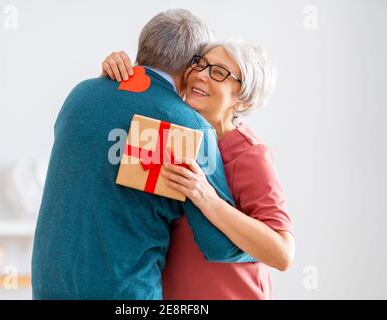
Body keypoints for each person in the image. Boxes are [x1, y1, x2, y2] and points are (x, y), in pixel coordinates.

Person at [31, 9, 253, 300]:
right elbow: (220, 245)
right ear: (190, 67)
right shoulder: (186, 125)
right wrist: (264, 244)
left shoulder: (80, 95)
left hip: (48, 286)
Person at [101, 40, 295, 299]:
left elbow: (282, 254)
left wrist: (208, 199)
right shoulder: (173, 136)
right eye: (200, 64)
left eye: (219, 73)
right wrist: (119, 73)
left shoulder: (250, 155)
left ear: (242, 101)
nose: (201, 75)